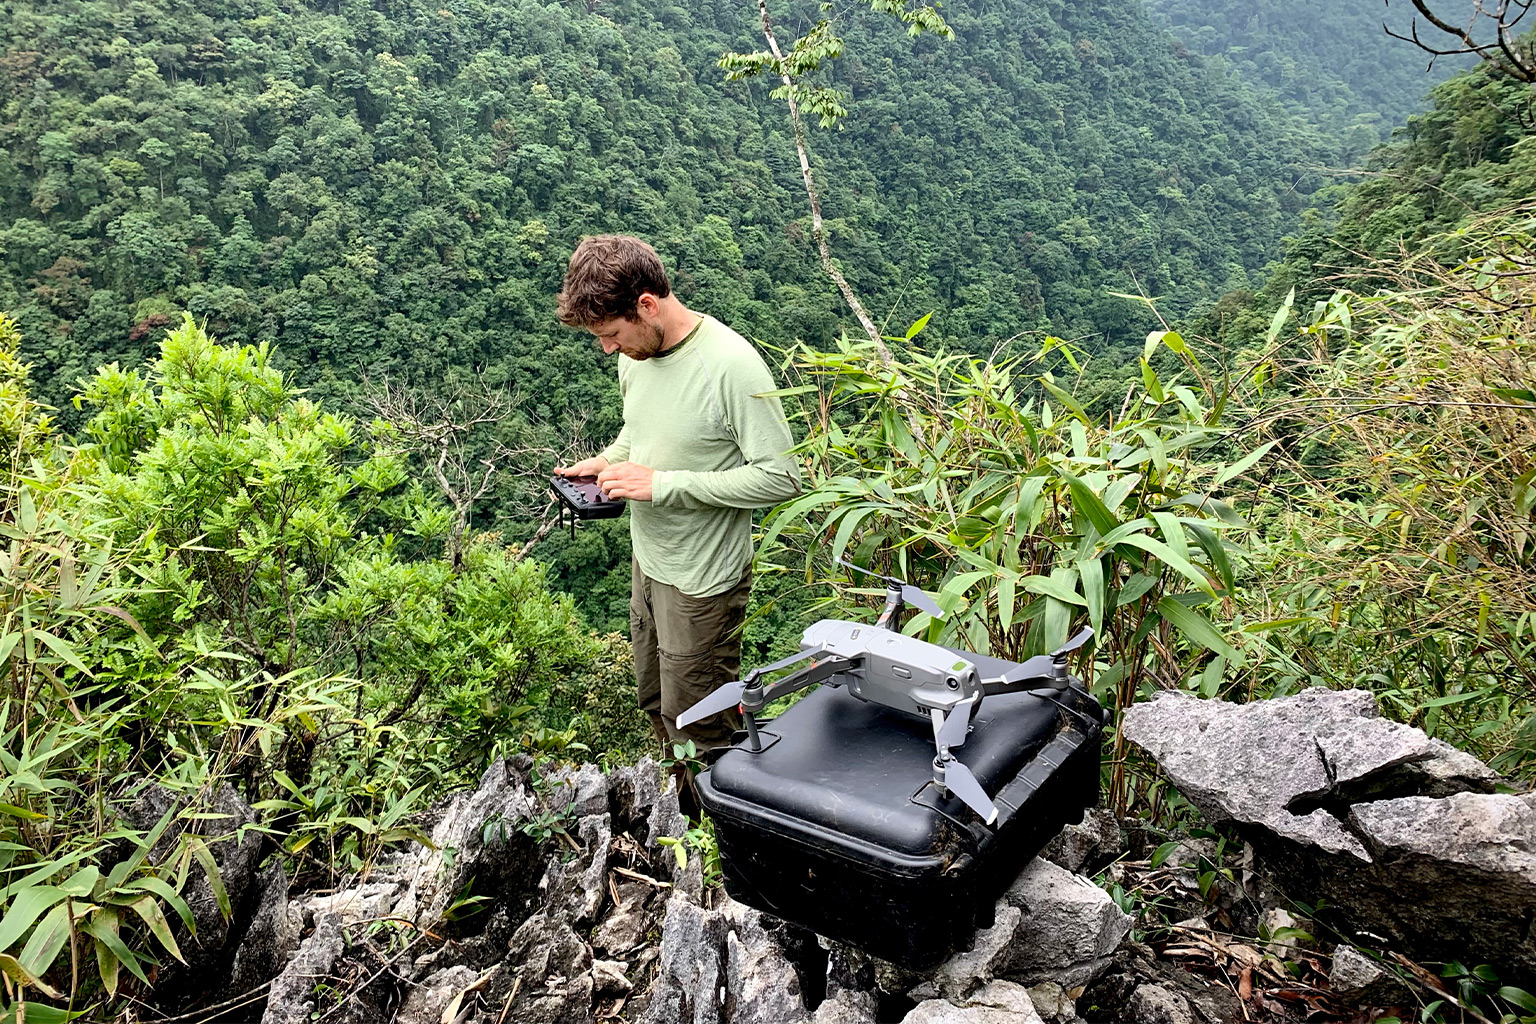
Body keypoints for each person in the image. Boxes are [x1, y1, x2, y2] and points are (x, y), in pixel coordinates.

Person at [554, 234, 801, 782]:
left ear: (647, 304)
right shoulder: (637, 357)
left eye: (612, 334)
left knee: (700, 725)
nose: (608, 350)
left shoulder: (730, 366)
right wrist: (608, 462)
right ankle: (679, 818)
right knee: (653, 702)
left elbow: (782, 476)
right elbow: (641, 432)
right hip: (651, 562)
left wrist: (661, 485)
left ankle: (722, 840)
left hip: (702, 582)